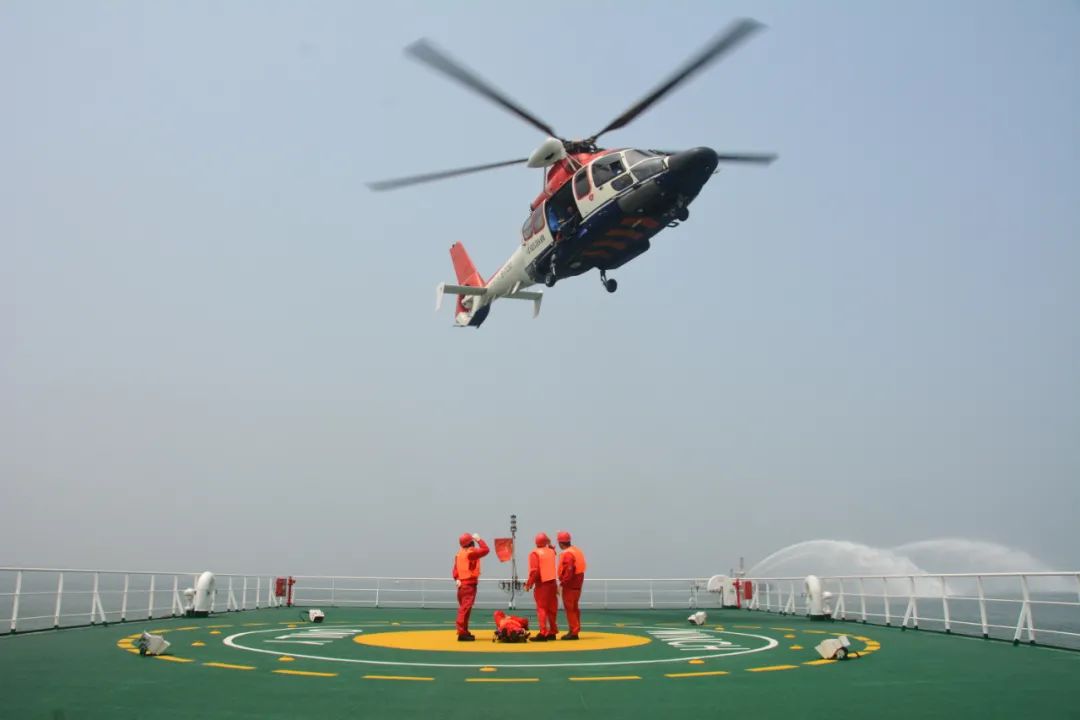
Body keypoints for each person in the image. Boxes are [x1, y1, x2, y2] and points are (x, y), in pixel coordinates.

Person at [452, 532, 489, 641]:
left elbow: (455, 569)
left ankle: (464, 631)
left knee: (466, 609)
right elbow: (486, 550)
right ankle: (461, 633)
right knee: (465, 609)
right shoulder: (471, 553)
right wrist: (479, 539)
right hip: (469, 585)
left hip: (462, 585)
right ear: (470, 542)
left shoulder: (459, 554)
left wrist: (457, 578)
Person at [523, 532, 559, 641]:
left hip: (542, 585)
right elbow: (553, 550)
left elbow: (535, 572)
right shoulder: (551, 552)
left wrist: (529, 584)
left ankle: (543, 633)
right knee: (552, 609)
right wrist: (549, 543)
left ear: (536, 542)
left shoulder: (535, 553)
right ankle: (552, 631)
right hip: (553, 583)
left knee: (541, 609)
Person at [557, 530, 587, 640]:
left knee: (570, 609)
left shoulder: (568, 554)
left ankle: (573, 632)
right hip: (577, 585)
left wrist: (562, 583)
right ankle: (576, 628)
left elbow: (569, 570)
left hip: (570, 585)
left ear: (560, 543)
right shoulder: (576, 551)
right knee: (574, 608)